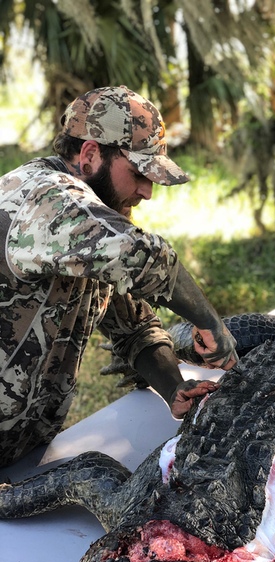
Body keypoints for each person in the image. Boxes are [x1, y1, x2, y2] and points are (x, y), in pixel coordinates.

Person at [0, 85, 238, 468]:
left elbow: (134, 328)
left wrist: (174, 386)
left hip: (20, 454)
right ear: (91, 154)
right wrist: (210, 323)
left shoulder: (92, 227)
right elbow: (146, 257)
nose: (147, 191)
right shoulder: (44, 200)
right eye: (139, 173)